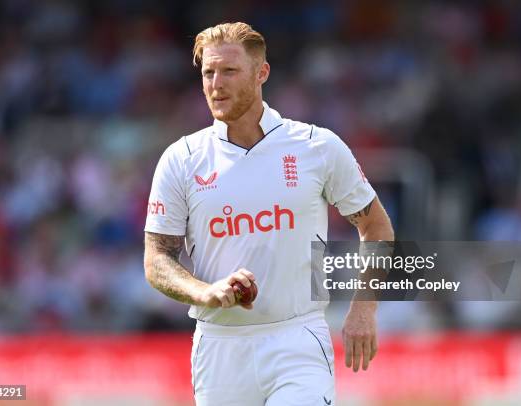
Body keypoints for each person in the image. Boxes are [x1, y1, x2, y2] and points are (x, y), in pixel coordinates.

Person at [144, 22, 394, 406]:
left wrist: (364, 308)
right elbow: (157, 259)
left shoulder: (316, 146)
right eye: (208, 73)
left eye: (229, 71)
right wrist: (205, 291)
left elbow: (375, 226)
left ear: (262, 73)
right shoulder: (182, 160)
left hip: (298, 338)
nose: (216, 84)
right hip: (219, 348)